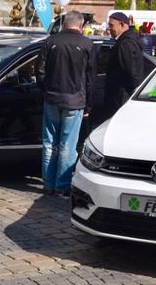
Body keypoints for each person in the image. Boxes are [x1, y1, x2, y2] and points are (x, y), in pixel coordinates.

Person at [34, 11, 95, 197]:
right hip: (74, 101)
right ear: (80, 24)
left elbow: (39, 71)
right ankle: (62, 186)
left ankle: (49, 184)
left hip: (52, 99)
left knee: (49, 143)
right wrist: (88, 106)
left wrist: (46, 90)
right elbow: (91, 79)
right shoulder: (87, 44)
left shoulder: (50, 41)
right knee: (67, 145)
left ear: (65, 23)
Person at [100, 12, 145, 121]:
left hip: (121, 95)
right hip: (121, 94)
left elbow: (129, 70)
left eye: (111, 25)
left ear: (122, 25)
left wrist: (134, 92)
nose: (109, 29)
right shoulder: (126, 40)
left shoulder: (126, 43)